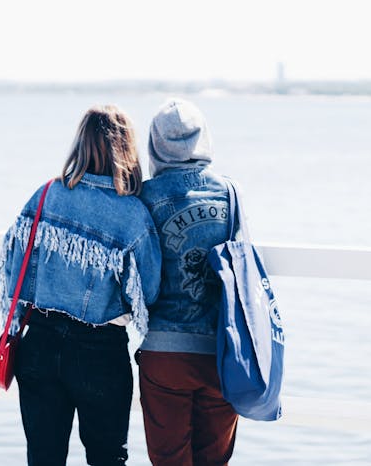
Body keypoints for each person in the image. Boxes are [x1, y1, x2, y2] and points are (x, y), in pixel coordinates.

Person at [0, 104, 162, 466]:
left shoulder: (44, 196)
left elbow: (12, 270)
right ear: (126, 150)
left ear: (80, 145)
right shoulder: (133, 216)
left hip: (37, 343)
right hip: (99, 351)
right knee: (107, 459)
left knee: (43, 458)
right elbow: (148, 295)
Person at [137, 98, 240, 466]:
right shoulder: (229, 194)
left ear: (154, 145)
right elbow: (241, 272)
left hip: (164, 353)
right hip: (221, 354)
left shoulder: (144, 197)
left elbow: (139, 278)